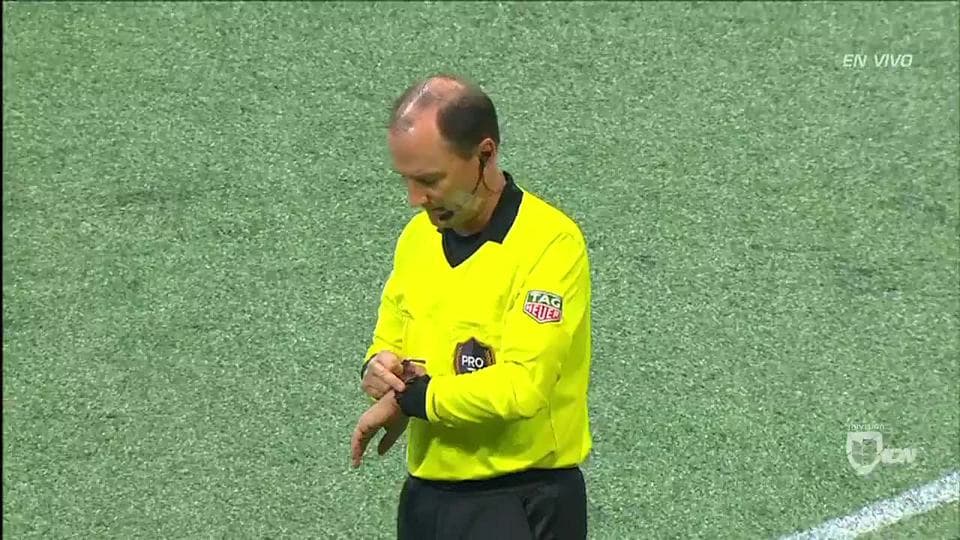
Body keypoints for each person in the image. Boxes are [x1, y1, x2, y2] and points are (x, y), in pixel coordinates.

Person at [350, 73, 593, 540]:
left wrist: (411, 398)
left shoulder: (550, 243)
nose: (415, 199)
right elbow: (391, 340)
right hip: (427, 498)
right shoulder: (417, 239)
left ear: (484, 155)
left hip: (521, 497)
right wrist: (379, 369)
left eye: (430, 180)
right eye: (406, 180)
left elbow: (522, 387)